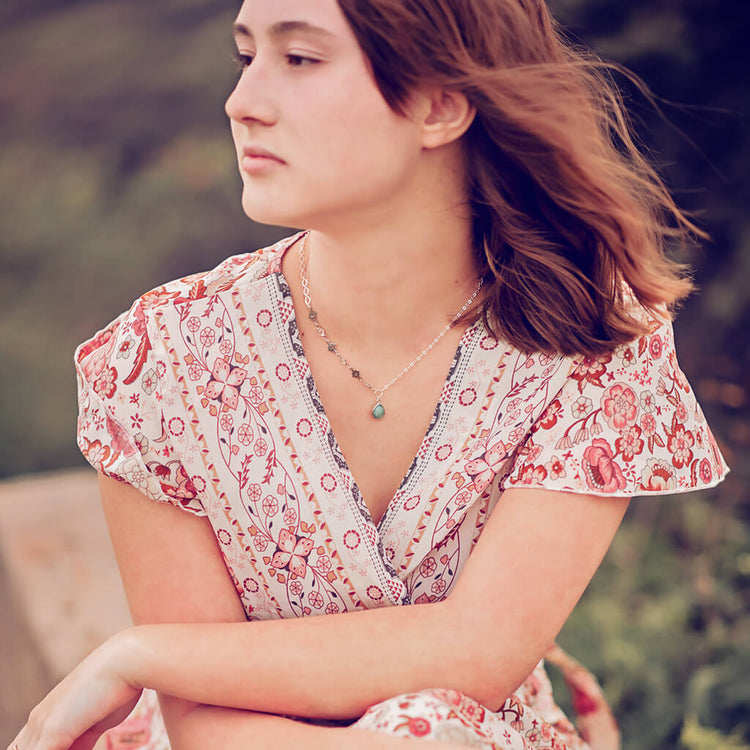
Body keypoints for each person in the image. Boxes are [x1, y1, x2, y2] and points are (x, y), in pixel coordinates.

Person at [11, 0, 728, 748]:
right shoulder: (156, 360)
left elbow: (479, 654)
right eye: (245, 56)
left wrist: (137, 654)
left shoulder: (590, 340)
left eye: (299, 59)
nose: (243, 103)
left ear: (438, 106)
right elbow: (201, 719)